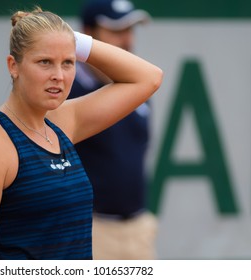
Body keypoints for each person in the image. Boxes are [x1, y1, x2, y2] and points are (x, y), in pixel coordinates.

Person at [0, 6, 162, 260]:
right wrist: (55, 37)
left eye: (68, 63)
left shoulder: (62, 122)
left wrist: (68, 38)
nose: (58, 76)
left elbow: (149, 77)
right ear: (13, 66)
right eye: (45, 62)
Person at [68, 0, 158, 259]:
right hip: (89, 231)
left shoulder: (140, 89)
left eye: (131, 30)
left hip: (139, 229)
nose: (127, 40)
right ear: (87, 33)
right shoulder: (64, 91)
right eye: (117, 30)